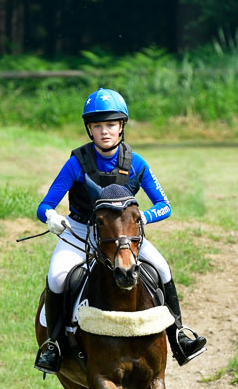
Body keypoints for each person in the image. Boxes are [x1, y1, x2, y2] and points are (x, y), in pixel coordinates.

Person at [34, 87, 206, 374]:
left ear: (121, 127)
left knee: (162, 269)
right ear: (89, 129)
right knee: (57, 277)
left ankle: (178, 334)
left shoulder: (137, 163)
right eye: (98, 126)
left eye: (111, 125)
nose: (105, 132)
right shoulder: (76, 163)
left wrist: (141, 220)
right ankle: (54, 344)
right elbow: (45, 205)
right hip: (80, 232)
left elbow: (165, 205)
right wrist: (51, 217)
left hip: (126, 237)